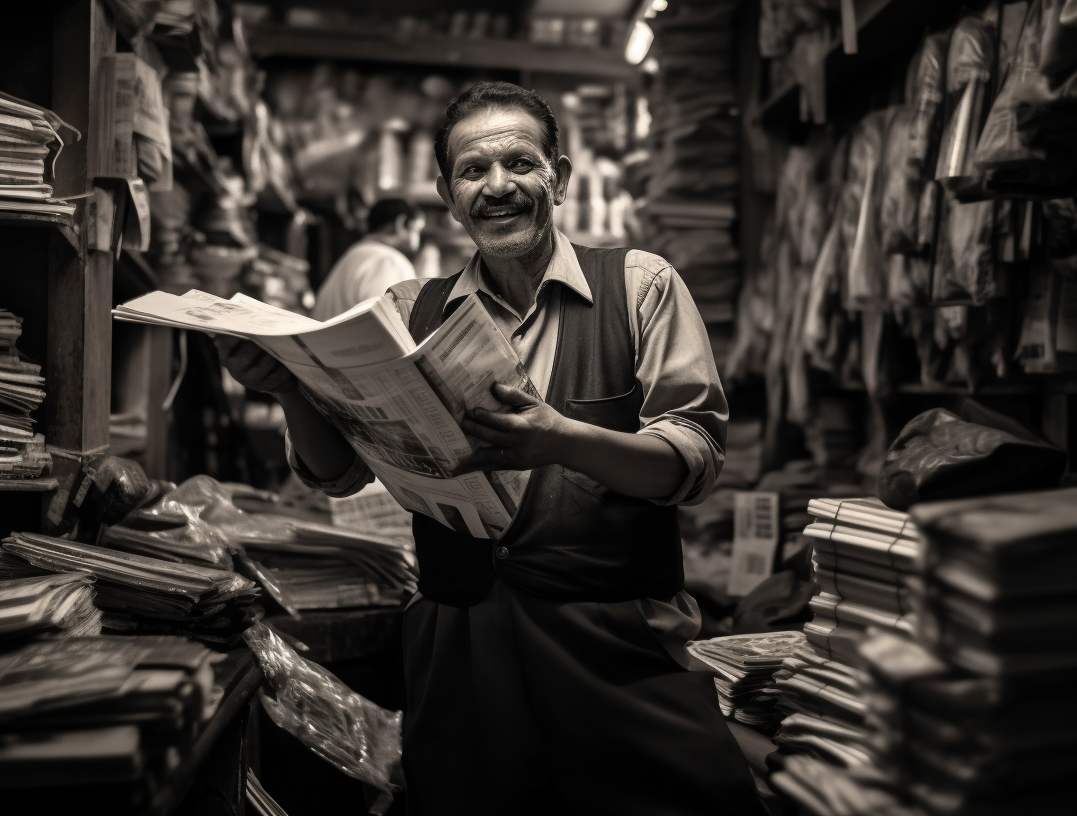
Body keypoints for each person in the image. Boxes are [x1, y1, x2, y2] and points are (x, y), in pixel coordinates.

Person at [215, 82, 764, 816]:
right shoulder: (410, 311)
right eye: (474, 171)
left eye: (520, 163)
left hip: (614, 643)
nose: (498, 186)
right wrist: (287, 389)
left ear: (559, 178)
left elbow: (694, 460)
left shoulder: (640, 286)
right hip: (461, 646)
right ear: (447, 193)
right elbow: (338, 475)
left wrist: (560, 439)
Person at [310, 197, 425, 320]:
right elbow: (388, 325)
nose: (417, 241)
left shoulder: (354, 254)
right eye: (417, 230)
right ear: (400, 223)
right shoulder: (388, 260)